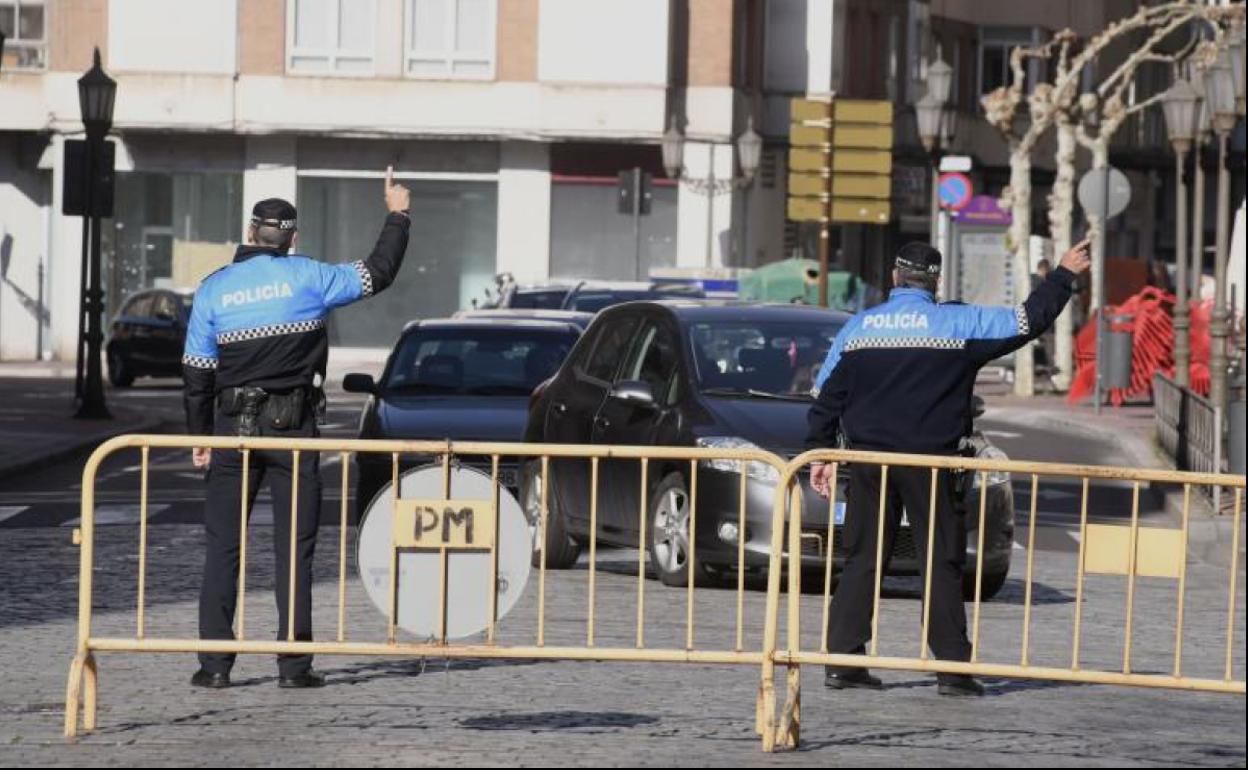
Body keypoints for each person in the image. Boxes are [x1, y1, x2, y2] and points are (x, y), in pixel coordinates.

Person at [806, 238, 1091, 696]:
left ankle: (843, 661)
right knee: (941, 562)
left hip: (868, 462)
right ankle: (953, 671)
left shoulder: (860, 328)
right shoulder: (959, 322)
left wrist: (818, 451)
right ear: (935, 283)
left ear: (895, 279)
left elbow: (825, 397)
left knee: (862, 558)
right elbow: (1026, 321)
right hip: (934, 464)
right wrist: (1061, 274)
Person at [181, 169, 411, 689]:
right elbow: (378, 273)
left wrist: (199, 436)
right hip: (294, 427)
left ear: (249, 232)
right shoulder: (311, 276)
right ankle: (293, 666)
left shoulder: (213, 289)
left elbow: (197, 371)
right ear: (293, 238)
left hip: (231, 430)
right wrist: (397, 213)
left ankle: (214, 667)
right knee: (294, 546)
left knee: (223, 547)